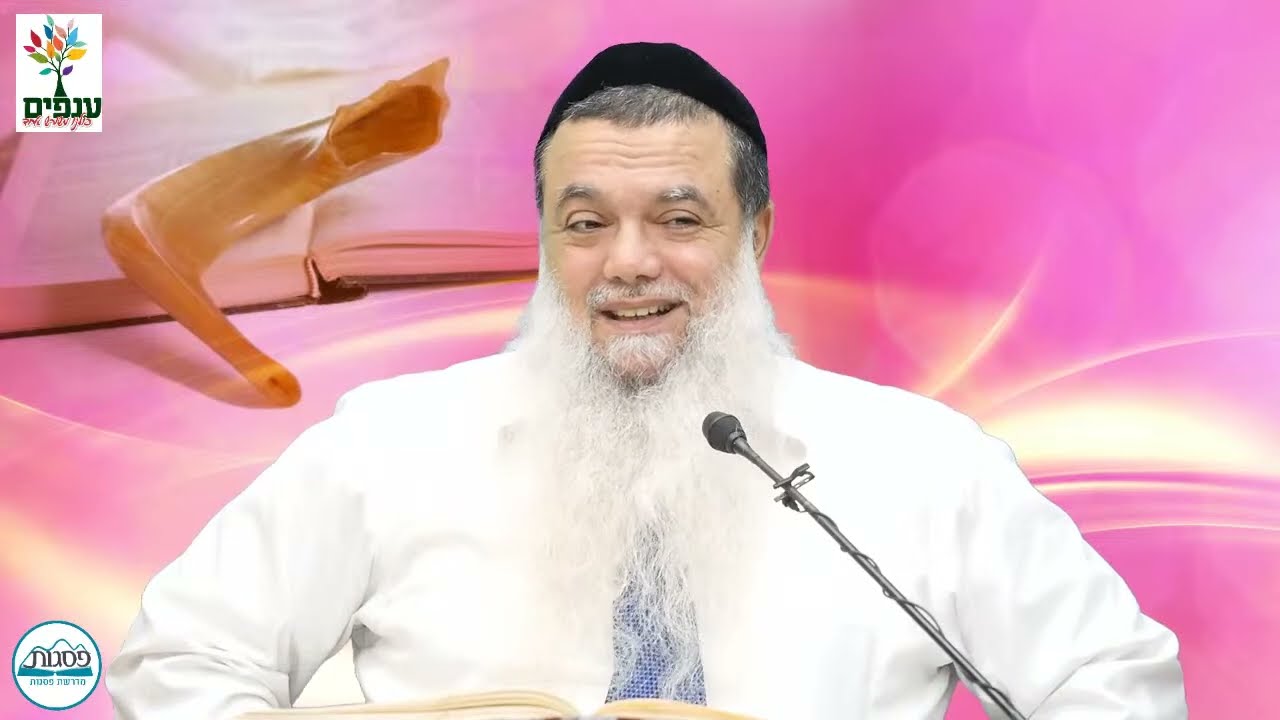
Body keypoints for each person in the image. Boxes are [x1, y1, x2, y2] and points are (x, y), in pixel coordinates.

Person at [106, 42, 1188, 719]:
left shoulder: (923, 462)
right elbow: (178, 663)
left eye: (678, 219)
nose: (627, 263)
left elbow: (1118, 689)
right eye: (585, 224)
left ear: (755, 233)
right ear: (545, 240)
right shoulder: (389, 442)